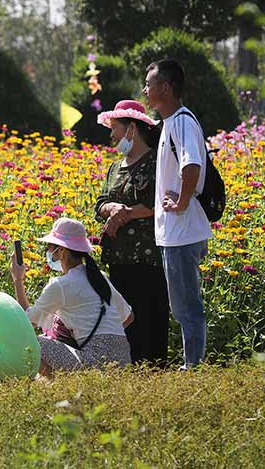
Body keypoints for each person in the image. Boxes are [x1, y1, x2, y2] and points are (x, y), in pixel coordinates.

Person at [143, 59, 213, 368]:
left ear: (166, 87)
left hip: (183, 231)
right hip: (176, 232)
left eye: (149, 84)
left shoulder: (182, 122)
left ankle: (193, 367)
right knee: (182, 306)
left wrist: (182, 202)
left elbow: (192, 164)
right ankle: (192, 364)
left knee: (187, 308)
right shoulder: (170, 123)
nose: (145, 90)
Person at [94, 100, 169, 366]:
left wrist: (124, 213)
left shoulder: (157, 162)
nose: (112, 135)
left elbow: (159, 201)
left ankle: (154, 374)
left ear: (132, 129)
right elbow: (100, 203)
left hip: (148, 257)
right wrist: (113, 209)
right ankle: (129, 373)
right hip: (118, 257)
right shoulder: (115, 168)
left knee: (150, 318)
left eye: (115, 128)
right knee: (125, 321)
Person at [10, 217, 133, 375]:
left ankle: (56, 386)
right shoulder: (100, 278)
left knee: (29, 342)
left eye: (49, 247)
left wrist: (18, 280)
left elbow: (27, 324)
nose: (48, 251)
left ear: (62, 250)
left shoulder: (61, 285)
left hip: (95, 363)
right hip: (123, 361)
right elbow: (128, 317)